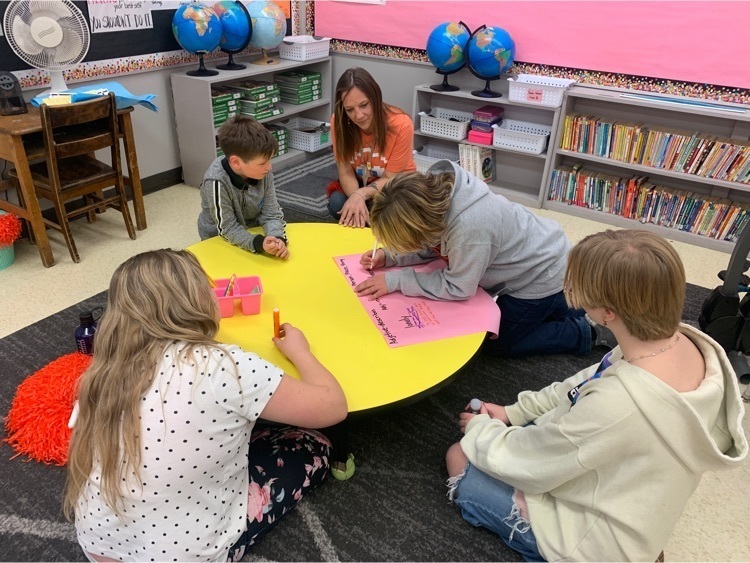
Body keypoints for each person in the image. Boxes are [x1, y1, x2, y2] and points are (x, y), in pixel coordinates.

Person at [445, 229, 748, 562]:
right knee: (521, 434)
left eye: (580, 290)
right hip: (634, 500)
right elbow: (584, 381)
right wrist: (514, 412)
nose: (572, 295)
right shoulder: (679, 343)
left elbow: (534, 464)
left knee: (460, 455)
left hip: (591, 540)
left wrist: (482, 429)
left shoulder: (618, 404)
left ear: (608, 313)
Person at [63, 249, 348, 562]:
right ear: (196, 299)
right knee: (312, 445)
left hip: (98, 544)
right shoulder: (221, 366)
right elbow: (333, 407)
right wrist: (300, 352)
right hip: (185, 554)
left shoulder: (103, 370)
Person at [355, 160, 608, 358]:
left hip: (540, 275)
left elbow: (459, 287)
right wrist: (390, 256)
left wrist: (397, 281)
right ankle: (570, 305)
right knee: (547, 311)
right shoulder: (436, 196)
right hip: (543, 250)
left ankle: (585, 332)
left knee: (497, 343)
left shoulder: (470, 229)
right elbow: (430, 244)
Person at [327, 67, 416, 228]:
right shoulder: (339, 122)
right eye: (349, 110)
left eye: (364, 105)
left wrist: (361, 195)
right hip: (360, 184)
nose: (358, 115)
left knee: (385, 211)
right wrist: (356, 197)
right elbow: (345, 171)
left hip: (394, 186)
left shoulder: (401, 124)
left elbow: (390, 178)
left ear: (375, 98)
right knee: (337, 204)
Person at [198, 115, 289, 259]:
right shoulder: (216, 181)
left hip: (253, 231)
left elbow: (271, 213)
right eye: (262, 163)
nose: (269, 167)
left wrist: (277, 238)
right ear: (236, 162)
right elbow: (227, 227)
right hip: (219, 239)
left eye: (270, 160)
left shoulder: (263, 172)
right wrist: (258, 243)